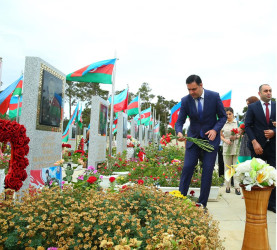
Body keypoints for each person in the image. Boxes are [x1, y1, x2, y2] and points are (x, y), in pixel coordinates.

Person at [175, 75, 227, 208]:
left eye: (194, 89)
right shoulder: (186, 100)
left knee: (207, 170)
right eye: (189, 90)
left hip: (210, 141)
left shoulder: (214, 97)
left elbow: (222, 117)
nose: (191, 92)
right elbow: (180, 121)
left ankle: (202, 203)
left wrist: (215, 130)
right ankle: (181, 200)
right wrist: (179, 132)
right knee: (187, 168)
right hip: (193, 141)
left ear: (201, 85)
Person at [245, 84, 276, 213]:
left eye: (270, 91)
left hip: (273, 146)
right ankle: (257, 202)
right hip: (257, 147)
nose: (268, 93)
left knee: (273, 175)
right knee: (257, 174)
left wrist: (275, 131)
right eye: (266, 91)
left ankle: (272, 203)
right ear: (259, 93)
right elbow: (248, 126)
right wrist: (254, 142)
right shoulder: (252, 107)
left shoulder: (275, 106)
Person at [220, 107, 241, 195]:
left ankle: (237, 187)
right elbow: (220, 135)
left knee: (235, 167)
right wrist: (226, 140)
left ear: (233, 114)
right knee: (227, 167)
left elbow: (240, 135)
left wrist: (235, 137)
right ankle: (227, 186)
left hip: (235, 146)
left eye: (230, 114)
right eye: (227, 114)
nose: (228, 116)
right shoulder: (222, 123)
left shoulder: (237, 123)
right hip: (226, 146)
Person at [238, 96, 259, 163]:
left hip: (253, 137)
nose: (247, 106)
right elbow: (241, 124)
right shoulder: (246, 113)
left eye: (248, 104)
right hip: (246, 137)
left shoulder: (257, 113)